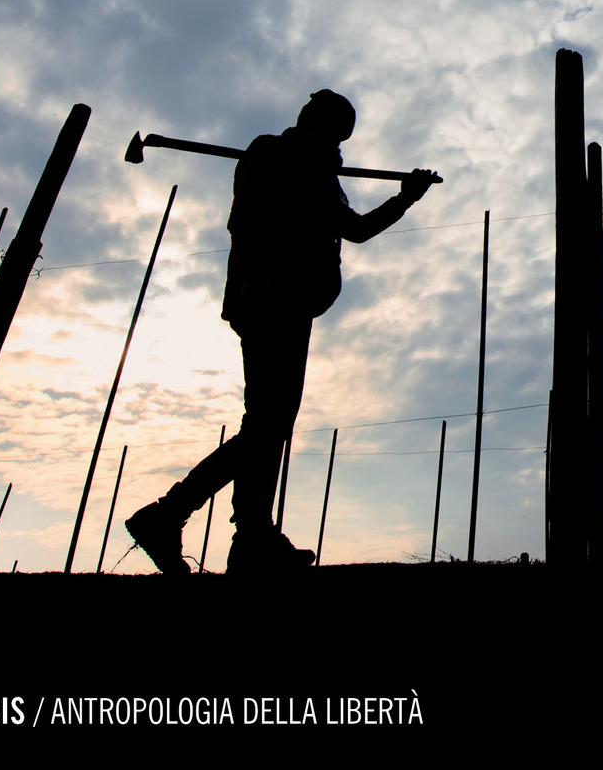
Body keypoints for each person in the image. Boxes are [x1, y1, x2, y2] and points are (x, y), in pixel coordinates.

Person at [125, 89, 439, 575]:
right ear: (324, 129)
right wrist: (405, 198)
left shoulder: (289, 160)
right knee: (268, 425)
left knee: (267, 426)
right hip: (276, 297)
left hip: (278, 298)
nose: (339, 150)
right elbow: (351, 230)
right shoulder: (287, 156)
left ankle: (250, 536)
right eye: (337, 138)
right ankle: (171, 516)